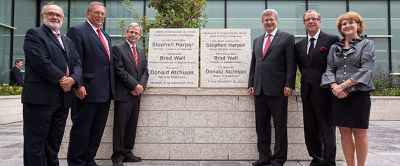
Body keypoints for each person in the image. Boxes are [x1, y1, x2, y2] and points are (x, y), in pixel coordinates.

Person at [22, 3, 82, 165]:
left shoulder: (67, 40)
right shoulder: (34, 34)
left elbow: (77, 63)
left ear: (63, 18)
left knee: (54, 142)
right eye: (51, 14)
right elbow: (40, 61)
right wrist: (62, 78)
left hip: (63, 99)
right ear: (43, 16)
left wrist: (74, 79)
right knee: (36, 143)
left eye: (58, 15)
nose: (55, 17)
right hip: (40, 98)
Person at [321, 11, 375, 166]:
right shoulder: (334, 47)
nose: (347, 25)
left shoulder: (367, 44)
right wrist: (334, 87)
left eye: (351, 22)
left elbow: (365, 70)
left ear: (358, 25)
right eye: (344, 23)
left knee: (360, 131)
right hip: (338, 95)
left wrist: (343, 86)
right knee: (344, 132)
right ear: (340, 28)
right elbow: (329, 69)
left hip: (359, 95)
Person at [66, 1, 115, 166]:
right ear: (88, 14)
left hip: (105, 92)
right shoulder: (77, 31)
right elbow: (74, 60)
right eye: (96, 12)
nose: (100, 16)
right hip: (86, 91)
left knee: (96, 130)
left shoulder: (106, 36)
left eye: (102, 13)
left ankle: (88, 159)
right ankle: (76, 162)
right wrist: (78, 84)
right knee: (82, 129)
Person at [248, 9, 296, 166]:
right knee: (261, 125)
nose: (268, 22)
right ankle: (264, 157)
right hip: (259, 89)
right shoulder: (257, 40)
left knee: (280, 125)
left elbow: (291, 63)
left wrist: (289, 84)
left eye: (271, 19)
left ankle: (278, 159)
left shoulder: (287, 38)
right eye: (265, 20)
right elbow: (254, 64)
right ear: (262, 22)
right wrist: (251, 83)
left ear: (277, 21)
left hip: (278, 90)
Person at [295, 9, 340, 166]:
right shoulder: (299, 45)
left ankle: (329, 161)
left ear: (320, 21)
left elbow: (337, 65)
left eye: (314, 19)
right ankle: (316, 158)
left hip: (326, 91)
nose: (311, 22)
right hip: (307, 92)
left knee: (327, 127)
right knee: (310, 128)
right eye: (308, 19)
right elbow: (303, 67)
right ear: (304, 23)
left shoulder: (332, 40)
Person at [111, 23, 149, 166]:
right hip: (124, 94)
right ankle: (118, 156)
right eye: (131, 32)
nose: (133, 35)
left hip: (137, 95)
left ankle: (127, 153)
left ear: (139, 36)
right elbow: (119, 70)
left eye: (136, 33)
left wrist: (141, 87)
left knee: (132, 125)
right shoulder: (118, 49)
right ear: (126, 33)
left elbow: (146, 71)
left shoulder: (141, 52)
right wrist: (134, 85)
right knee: (120, 126)